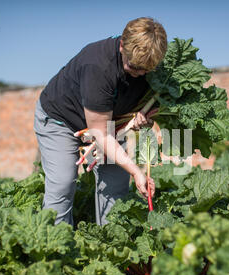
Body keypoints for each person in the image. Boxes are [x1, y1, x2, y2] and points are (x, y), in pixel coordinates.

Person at [33, 17, 167, 226]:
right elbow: (100, 134)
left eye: (145, 71)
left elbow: (148, 109)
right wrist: (136, 171)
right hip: (61, 120)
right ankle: (55, 250)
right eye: (134, 67)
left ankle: (110, 248)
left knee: (115, 185)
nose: (140, 74)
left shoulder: (152, 63)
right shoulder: (98, 66)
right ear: (122, 45)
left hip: (108, 122)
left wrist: (143, 118)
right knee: (62, 184)